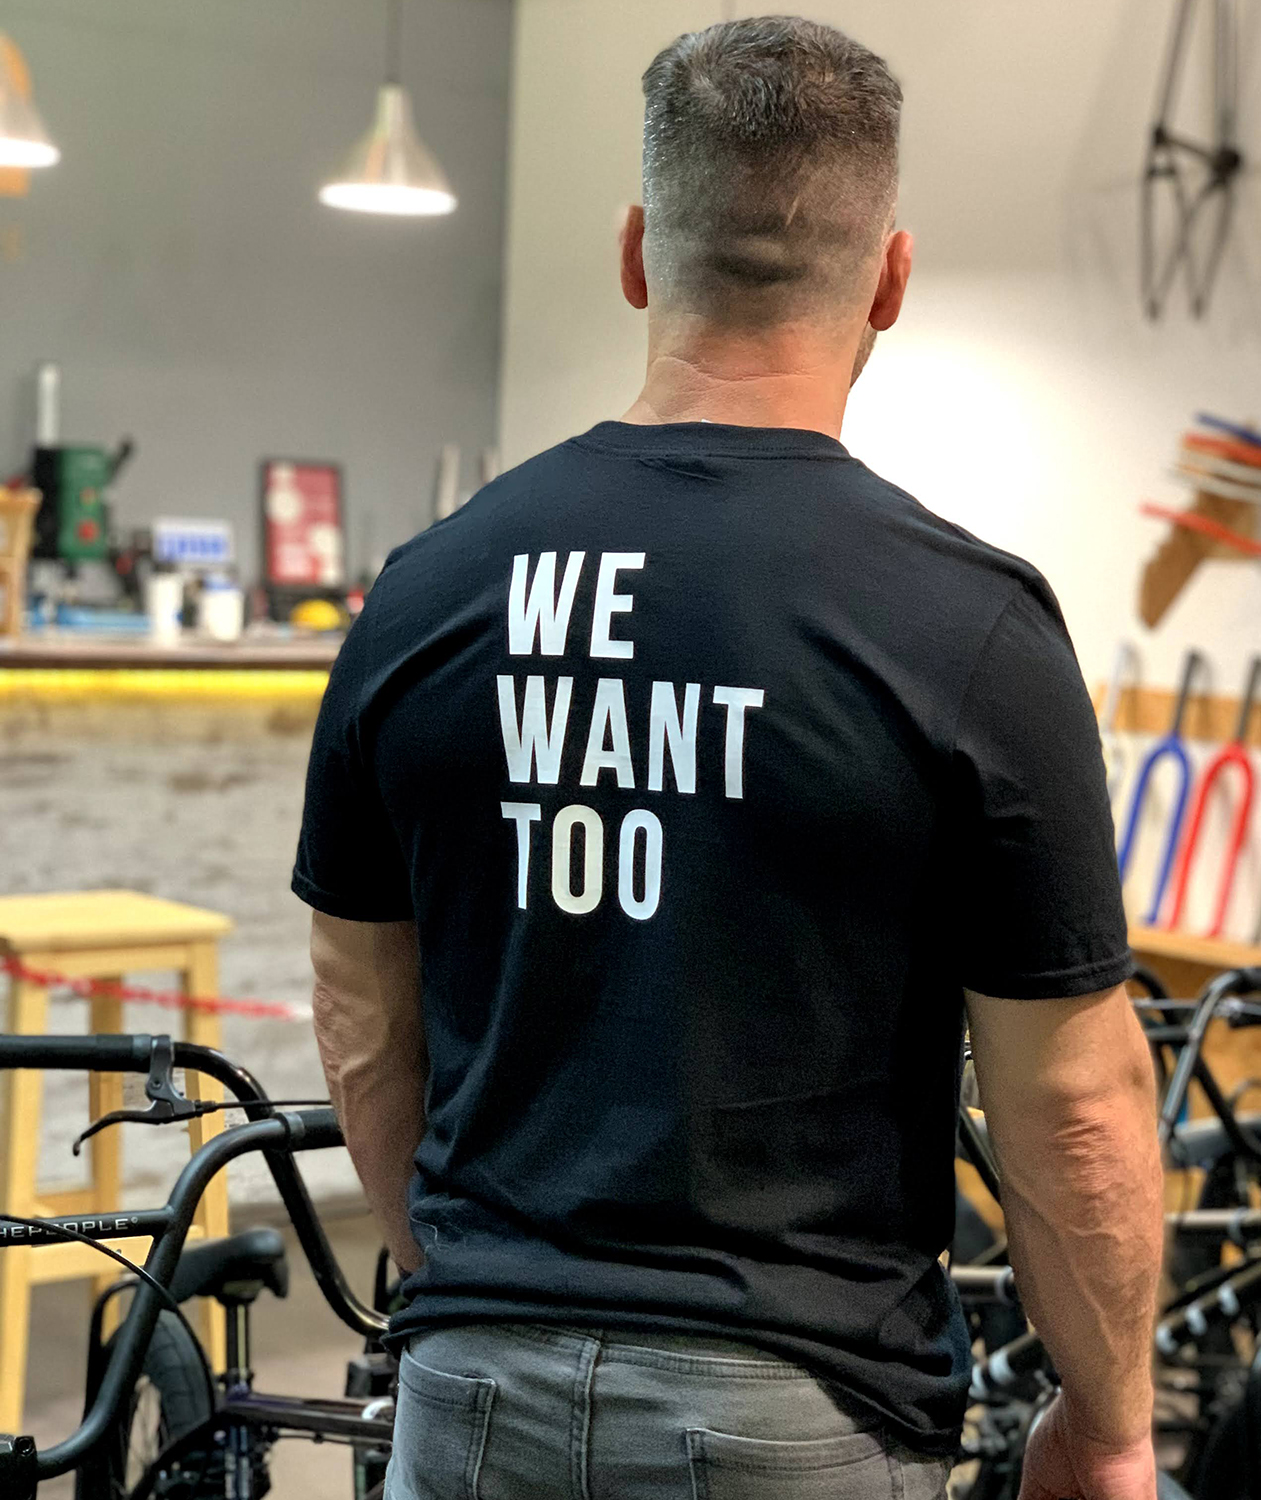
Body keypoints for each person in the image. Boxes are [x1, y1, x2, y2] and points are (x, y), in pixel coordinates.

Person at [295, 15, 1162, 1500]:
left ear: (637, 253)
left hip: (469, 1394)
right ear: (890, 281)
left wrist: (472, 1283)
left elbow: (358, 1008)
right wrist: (1110, 1425)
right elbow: (1072, 1105)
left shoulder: (426, 591)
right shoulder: (970, 630)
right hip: (800, 1409)